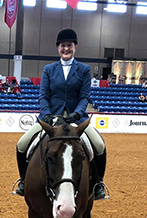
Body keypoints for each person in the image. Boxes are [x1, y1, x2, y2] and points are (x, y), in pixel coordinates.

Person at [14, 28, 109, 201]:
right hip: (50, 119)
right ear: (58, 48)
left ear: (75, 47)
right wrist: (47, 114)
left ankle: (98, 185)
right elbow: (43, 96)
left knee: (99, 146)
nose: (66, 49)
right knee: (22, 144)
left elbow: (84, 96)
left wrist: (77, 113)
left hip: (76, 119)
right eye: (63, 46)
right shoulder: (49, 69)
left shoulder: (84, 70)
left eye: (69, 45)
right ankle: (23, 181)